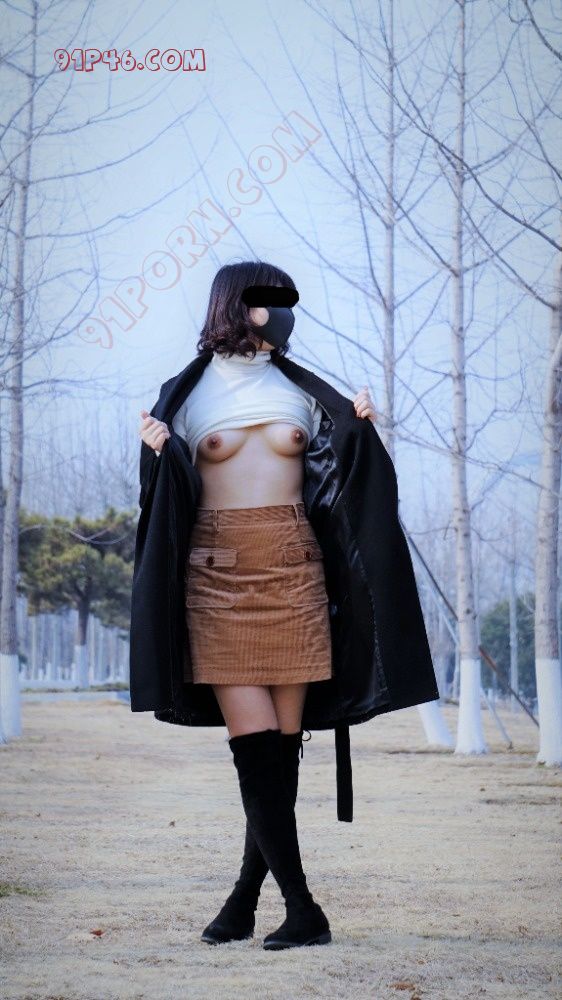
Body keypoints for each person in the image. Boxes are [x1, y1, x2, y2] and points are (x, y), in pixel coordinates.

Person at [138, 261, 377, 950]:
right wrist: (154, 453)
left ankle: (244, 900)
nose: (283, 312)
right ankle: (304, 909)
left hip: (295, 571)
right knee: (254, 749)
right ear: (236, 305)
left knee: (279, 755)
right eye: (270, 300)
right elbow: (162, 503)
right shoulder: (184, 397)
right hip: (217, 576)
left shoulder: (304, 391)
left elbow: (343, 480)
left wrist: (361, 428)